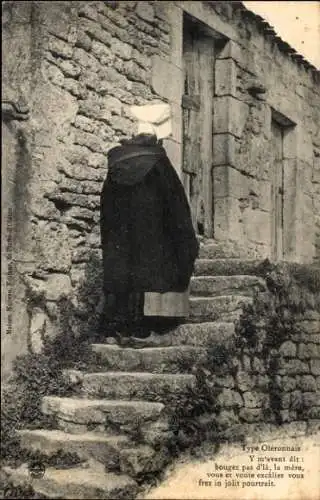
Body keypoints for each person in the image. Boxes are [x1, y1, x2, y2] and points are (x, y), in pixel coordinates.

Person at [99, 102, 199, 346]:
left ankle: (115, 327)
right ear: (157, 138)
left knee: (123, 267)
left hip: (120, 231)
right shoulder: (158, 163)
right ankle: (143, 327)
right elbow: (175, 204)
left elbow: (106, 201)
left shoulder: (117, 162)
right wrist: (185, 238)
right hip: (151, 233)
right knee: (149, 267)